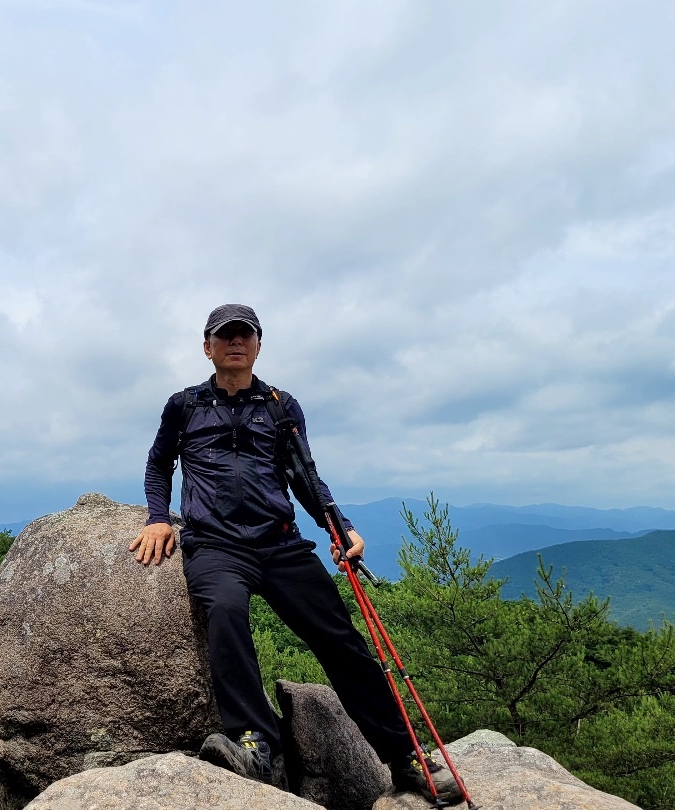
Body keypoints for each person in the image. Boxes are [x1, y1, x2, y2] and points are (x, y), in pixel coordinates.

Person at [131, 304, 461, 803]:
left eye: (245, 335)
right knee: (225, 612)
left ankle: (405, 757)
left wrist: (338, 526)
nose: (236, 343)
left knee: (341, 639)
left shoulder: (281, 406)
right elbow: (159, 464)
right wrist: (158, 517)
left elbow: (306, 475)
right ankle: (255, 743)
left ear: (258, 345)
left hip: (280, 543)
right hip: (216, 544)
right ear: (207, 347)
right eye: (225, 336)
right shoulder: (185, 405)